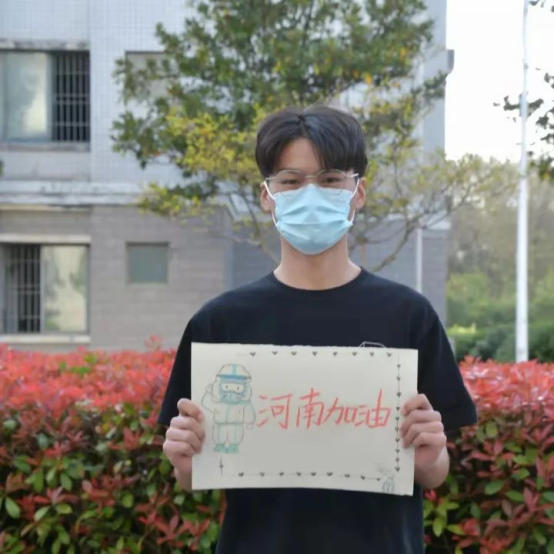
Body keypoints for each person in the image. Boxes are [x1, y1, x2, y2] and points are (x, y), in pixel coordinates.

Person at [158, 106, 477, 554]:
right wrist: (184, 460)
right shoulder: (220, 323)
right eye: (291, 181)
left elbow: (434, 469)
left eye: (329, 179)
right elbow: (193, 473)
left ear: (358, 191)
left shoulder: (408, 315)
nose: (310, 193)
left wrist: (430, 456)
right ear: (267, 195)